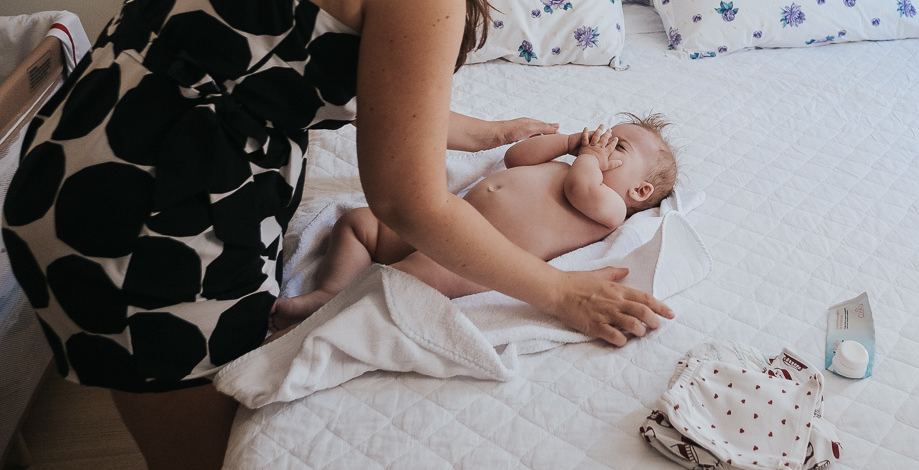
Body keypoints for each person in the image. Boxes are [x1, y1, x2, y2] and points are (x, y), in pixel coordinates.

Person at [0, 0, 673, 470]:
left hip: (80, 161)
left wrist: (480, 134)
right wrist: (563, 293)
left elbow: (270, 60)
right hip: (148, 214)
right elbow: (409, 204)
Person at [270, 115, 678, 330]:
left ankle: (316, 324)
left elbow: (579, 190)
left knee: (396, 280)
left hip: (477, 258)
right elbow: (516, 158)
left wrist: (588, 158)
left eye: (617, 146)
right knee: (357, 224)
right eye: (604, 135)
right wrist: (571, 144)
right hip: (444, 224)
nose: (601, 144)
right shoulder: (571, 163)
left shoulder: (610, 206)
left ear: (640, 192)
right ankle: (331, 291)